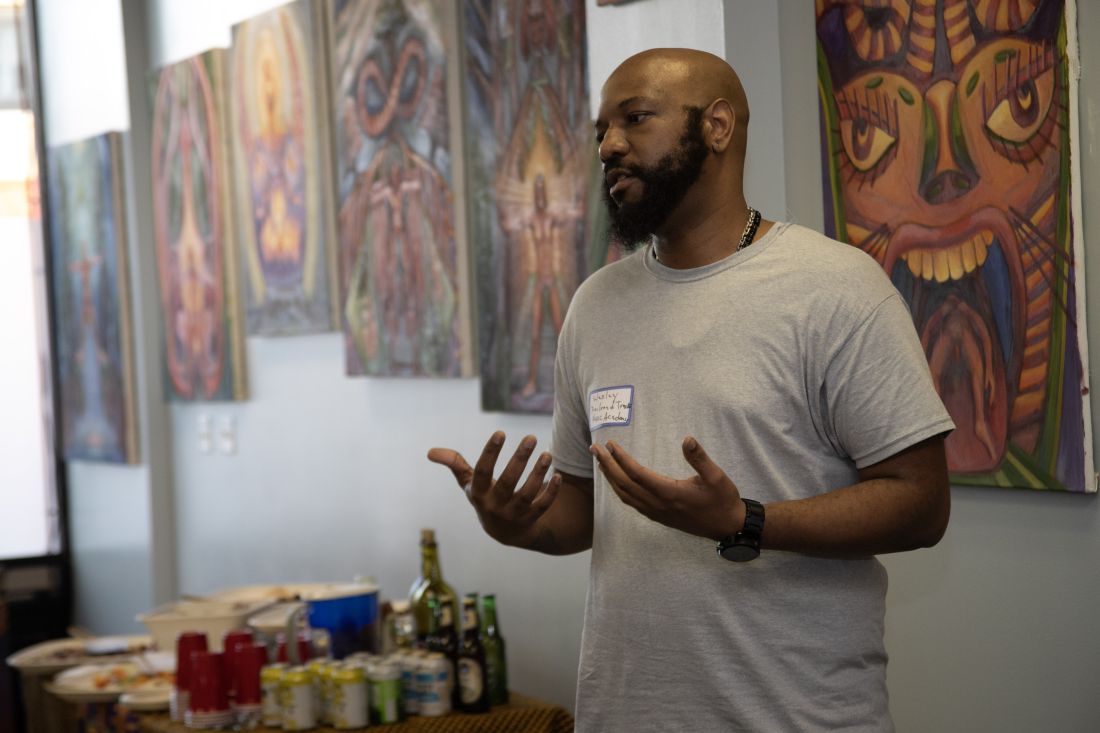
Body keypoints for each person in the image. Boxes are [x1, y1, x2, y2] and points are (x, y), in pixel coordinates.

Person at [428, 48, 954, 732]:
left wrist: (747, 520)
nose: (609, 145)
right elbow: (582, 513)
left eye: (635, 118)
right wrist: (515, 524)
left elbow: (921, 503)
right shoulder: (596, 304)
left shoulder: (834, 288)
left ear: (718, 126)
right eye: (599, 131)